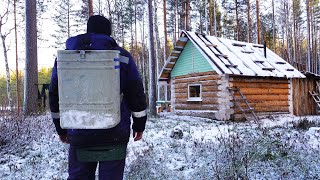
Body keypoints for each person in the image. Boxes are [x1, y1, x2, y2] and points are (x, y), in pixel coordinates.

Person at [49, 15, 147, 180]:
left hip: (79, 132)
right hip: (114, 133)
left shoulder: (65, 58)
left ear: (88, 31)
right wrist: (139, 125)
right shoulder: (122, 56)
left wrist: (60, 129)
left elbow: (55, 94)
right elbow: (136, 92)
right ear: (108, 34)